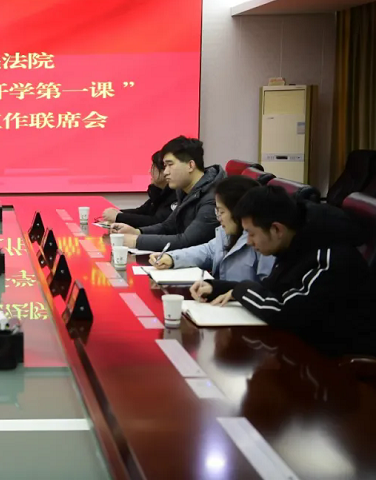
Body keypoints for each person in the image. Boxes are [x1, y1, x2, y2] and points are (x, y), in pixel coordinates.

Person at [192, 186, 375, 356]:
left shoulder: (328, 256)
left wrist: (240, 290)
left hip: (335, 362)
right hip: (302, 347)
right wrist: (218, 287)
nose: (249, 242)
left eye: (251, 233)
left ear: (276, 229)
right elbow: (272, 289)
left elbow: (284, 311)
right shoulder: (294, 242)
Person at [148, 175, 275, 282]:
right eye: (217, 211)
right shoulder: (227, 233)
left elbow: (267, 291)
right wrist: (172, 258)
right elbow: (208, 251)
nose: (218, 217)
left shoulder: (263, 243)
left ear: (239, 212)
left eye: (221, 211)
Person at [111, 136, 225, 251]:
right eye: (165, 166)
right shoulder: (185, 191)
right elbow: (168, 226)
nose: (165, 172)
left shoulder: (213, 197)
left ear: (190, 165)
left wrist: (136, 241)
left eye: (170, 165)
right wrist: (137, 232)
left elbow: (187, 241)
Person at [102, 150, 177, 228]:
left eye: (153, 167)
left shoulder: (176, 195)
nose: (149, 171)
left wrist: (119, 217)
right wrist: (118, 213)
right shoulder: (159, 192)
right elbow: (142, 211)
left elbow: (157, 222)